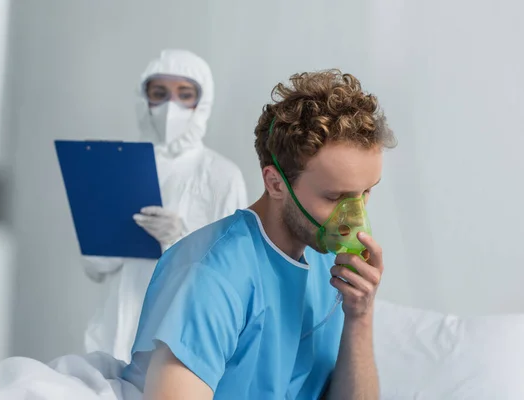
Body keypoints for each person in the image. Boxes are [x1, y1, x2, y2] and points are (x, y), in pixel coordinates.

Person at [121, 70, 398, 399]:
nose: (355, 219)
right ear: (276, 183)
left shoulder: (328, 266)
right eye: (335, 198)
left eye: (365, 192)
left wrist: (360, 315)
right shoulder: (211, 278)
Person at [82, 49, 248, 363]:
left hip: (180, 340)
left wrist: (178, 240)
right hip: (113, 331)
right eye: (159, 94)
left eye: (184, 95)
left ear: (203, 101)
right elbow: (95, 267)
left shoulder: (222, 175)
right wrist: (111, 236)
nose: (170, 107)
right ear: (143, 99)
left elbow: (233, 276)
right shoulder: (119, 166)